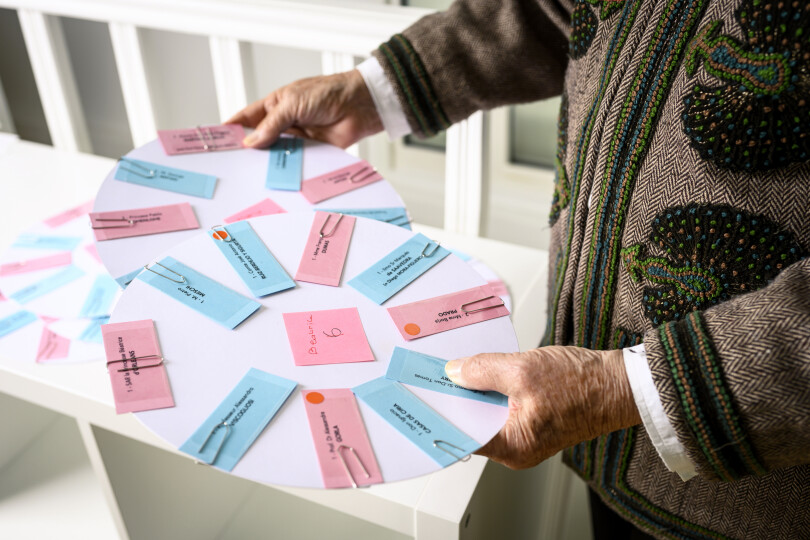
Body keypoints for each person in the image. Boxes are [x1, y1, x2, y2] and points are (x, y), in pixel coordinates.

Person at [228, 1, 810, 538]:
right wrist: (372, 90)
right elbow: (547, 9)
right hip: (609, 443)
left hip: (756, 504)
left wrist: (631, 388)